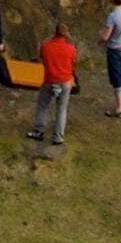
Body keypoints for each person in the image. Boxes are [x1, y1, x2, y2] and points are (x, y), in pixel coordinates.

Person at [28, 17, 77, 146]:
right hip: (65, 81)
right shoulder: (71, 49)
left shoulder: (46, 46)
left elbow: (42, 58)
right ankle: (58, 137)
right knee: (61, 109)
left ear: (54, 32)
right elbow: (73, 63)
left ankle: (38, 131)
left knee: (43, 106)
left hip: (49, 80)